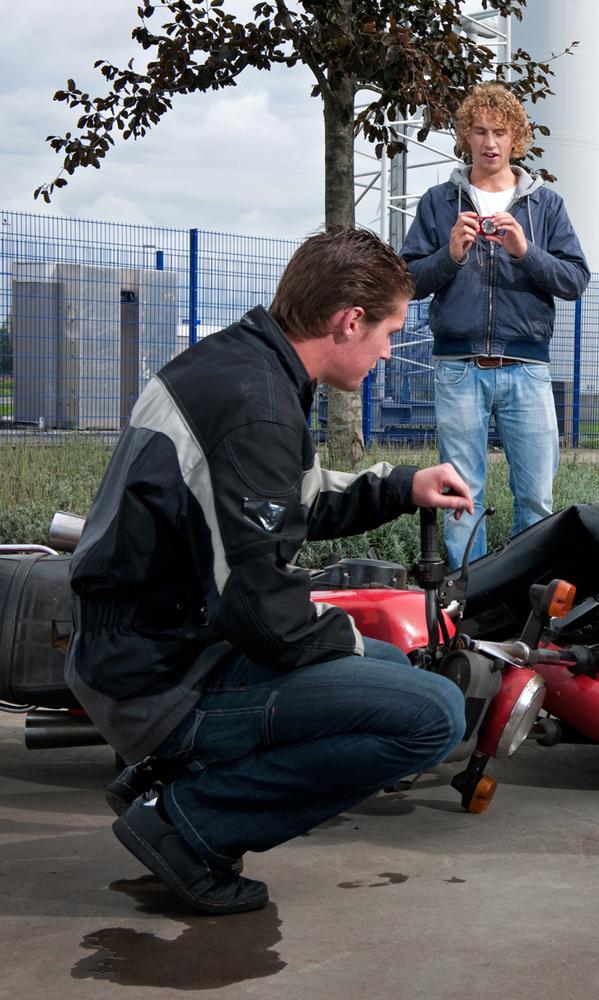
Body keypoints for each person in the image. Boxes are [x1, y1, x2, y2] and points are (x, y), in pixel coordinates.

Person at [67, 227, 475, 915]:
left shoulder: (245, 366)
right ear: (349, 322)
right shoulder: (257, 408)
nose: (388, 350)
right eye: (389, 332)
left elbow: (296, 501)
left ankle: (157, 778)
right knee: (429, 714)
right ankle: (187, 824)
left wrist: (402, 486)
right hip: (159, 674)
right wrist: (344, 637)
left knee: (389, 674)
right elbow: (259, 611)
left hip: (151, 644)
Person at [401, 81, 590, 568]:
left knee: (537, 499)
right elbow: (408, 281)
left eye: (500, 132)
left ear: (516, 139)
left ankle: (528, 598)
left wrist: (525, 252)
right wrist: (451, 254)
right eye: (480, 131)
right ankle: (470, 600)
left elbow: (574, 280)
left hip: (527, 368)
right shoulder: (438, 201)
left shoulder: (545, 205)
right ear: (465, 135)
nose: (489, 142)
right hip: (457, 366)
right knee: (463, 501)